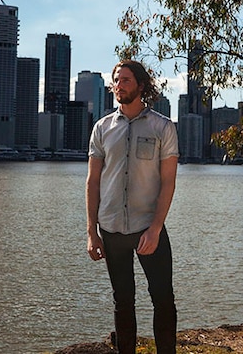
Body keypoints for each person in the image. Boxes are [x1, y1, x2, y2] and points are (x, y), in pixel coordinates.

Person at [85, 59, 179, 354]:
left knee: (163, 297)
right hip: (111, 229)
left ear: (140, 85)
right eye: (116, 80)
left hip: (147, 228)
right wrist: (91, 231)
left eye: (126, 80)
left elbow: (168, 183)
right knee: (122, 300)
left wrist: (155, 228)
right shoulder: (102, 128)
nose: (119, 85)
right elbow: (92, 182)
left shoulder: (163, 127)